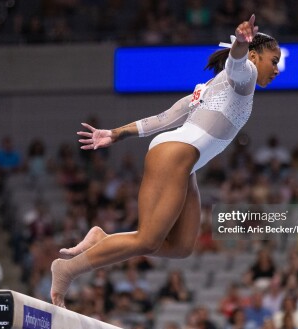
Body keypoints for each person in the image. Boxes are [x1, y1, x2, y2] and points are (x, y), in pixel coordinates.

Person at [51, 15, 281, 307]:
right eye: (273, 61)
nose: (276, 69)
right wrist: (239, 42)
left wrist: (116, 133)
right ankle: (67, 270)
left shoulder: (209, 88)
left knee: (181, 247)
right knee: (147, 240)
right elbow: (236, 62)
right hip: (175, 154)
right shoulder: (243, 75)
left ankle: (102, 238)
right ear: (254, 55)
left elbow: (165, 118)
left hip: (184, 162)